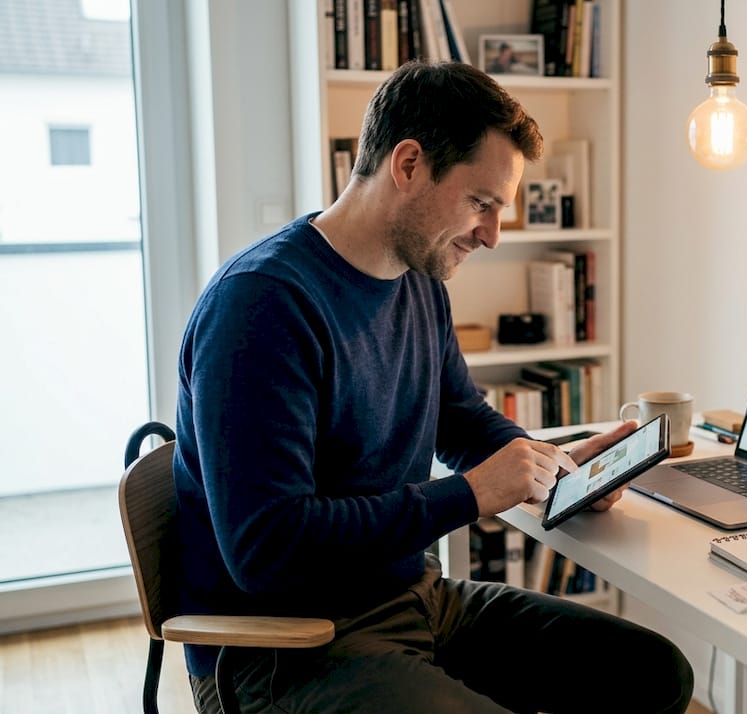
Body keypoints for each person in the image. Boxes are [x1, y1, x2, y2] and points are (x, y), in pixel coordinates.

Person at [172, 60, 694, 713]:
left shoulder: (418, 280)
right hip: (284, 652)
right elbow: (267, 549)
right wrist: (471, 494)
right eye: (481, 203)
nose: (492, 235)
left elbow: (460, 419)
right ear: (409, 164)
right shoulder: (261, 308)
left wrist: (550, 468)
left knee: (652, 671)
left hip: (413, 600)